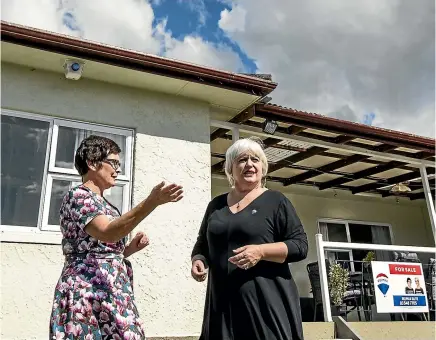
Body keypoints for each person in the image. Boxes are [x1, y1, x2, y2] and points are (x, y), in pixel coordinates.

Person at [49, 135, 183, 339]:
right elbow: (108, 232)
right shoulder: (78, 196)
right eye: (113, 162)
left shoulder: (105, 205)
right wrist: (151, 202)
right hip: (87, 291)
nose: (118, 169)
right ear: (93, 163)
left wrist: (128, 250)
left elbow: (103, 247)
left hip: (111, 290)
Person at [191, 137, 308, 340]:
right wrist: (198, 260)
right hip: (222, 307)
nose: (250, 164)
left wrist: (261, 252)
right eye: (242, 160)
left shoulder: (276, 201)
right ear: (230, 168)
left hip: (265, 305)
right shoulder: (216, 206)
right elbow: (202, 244)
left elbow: (300, 245)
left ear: (263, 167)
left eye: (256, 159)